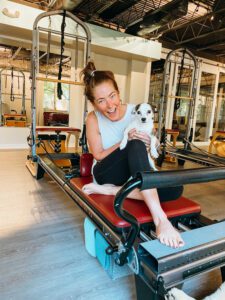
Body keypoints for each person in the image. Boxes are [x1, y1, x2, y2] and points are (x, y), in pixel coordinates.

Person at [81, 61, 184, 248]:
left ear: (118, 92)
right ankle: (161, 220)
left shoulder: (136, 111)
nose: (110, 105)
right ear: (94, 103)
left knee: (176, 188)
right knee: (134, 143)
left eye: (112, 96)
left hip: (130, 178)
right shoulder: (93, 118)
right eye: (101, 100)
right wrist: (127, 140)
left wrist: (150, 142)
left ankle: (115, 191)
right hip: (107, 173)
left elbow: (154, 146)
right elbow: (98, 155)